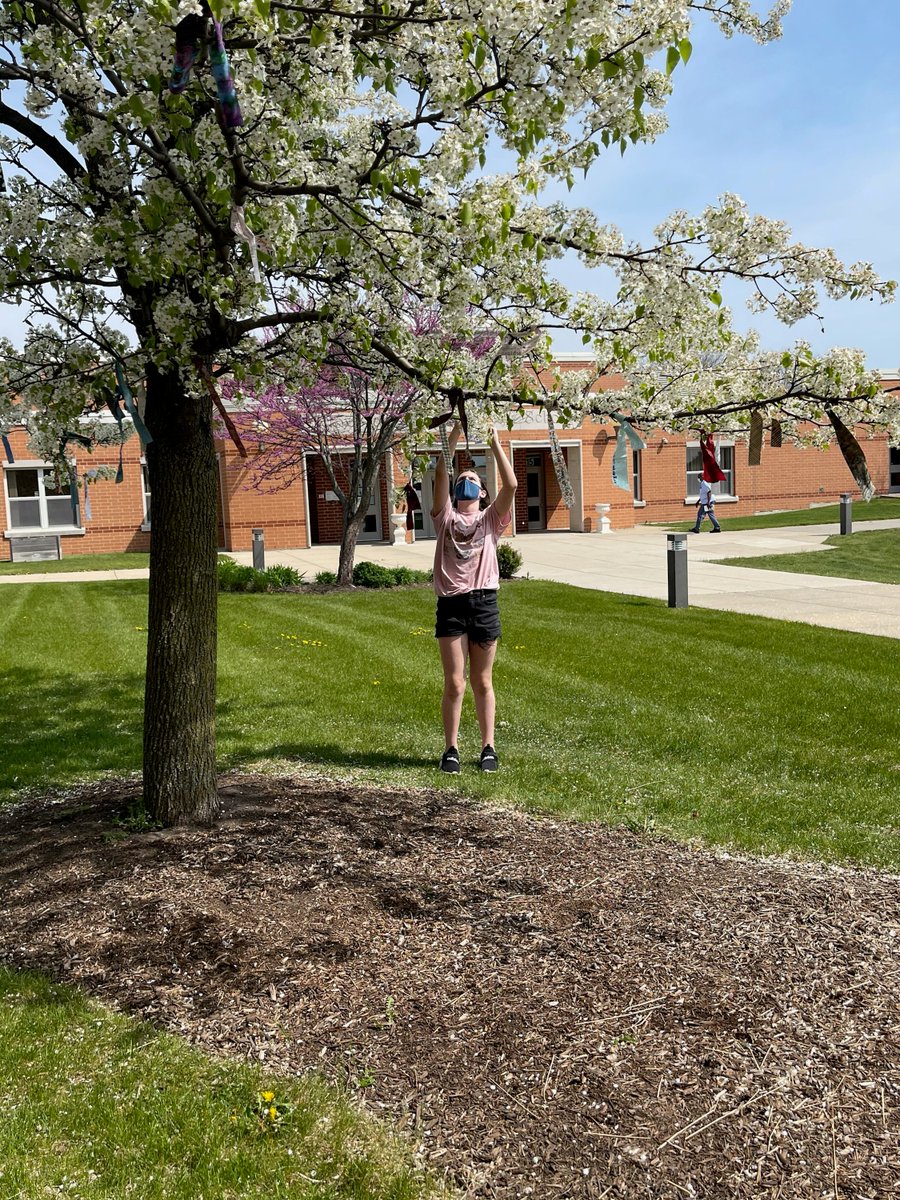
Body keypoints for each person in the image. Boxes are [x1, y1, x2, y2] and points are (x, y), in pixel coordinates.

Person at [431, 421, 517, 773]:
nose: (467, 480)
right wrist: (453, 434)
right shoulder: (445, 517)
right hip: (451, 604)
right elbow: (440, 471)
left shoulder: (491, 520)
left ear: (483, 492)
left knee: (482, 681)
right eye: (462, 478)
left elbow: (510, 485)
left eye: (474, 479)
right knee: (454, 682)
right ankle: (450, 749)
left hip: (483, 603)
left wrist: (495, 444)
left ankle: (488, 748)